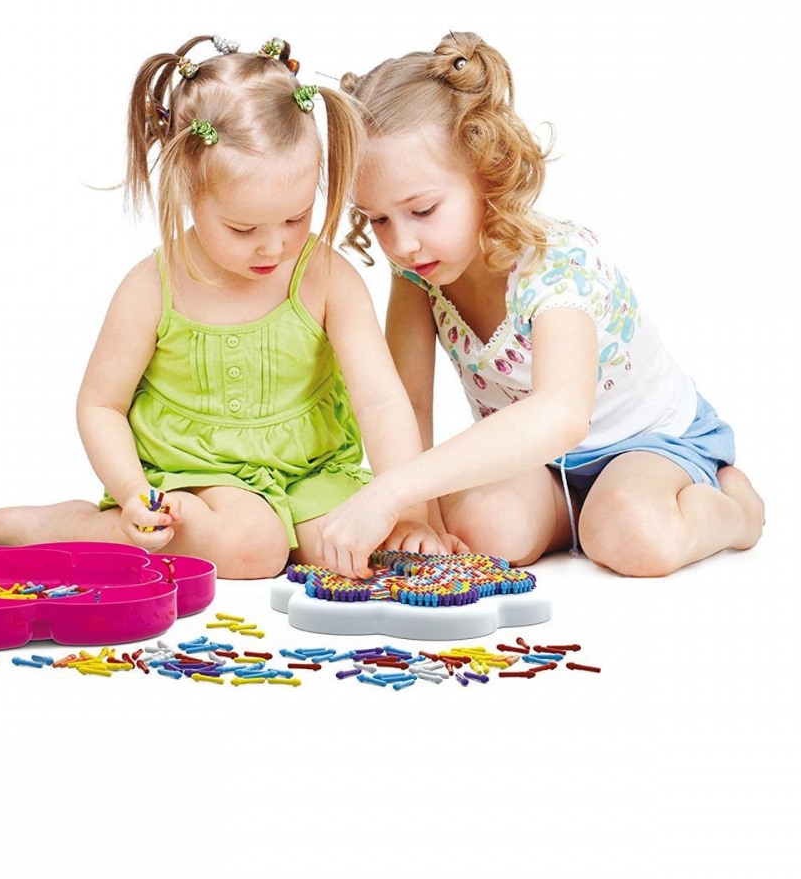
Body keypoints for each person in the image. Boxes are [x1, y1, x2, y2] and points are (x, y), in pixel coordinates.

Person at [0, 35, 442, 579]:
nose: (273, 247)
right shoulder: (152, 287)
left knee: (361, 548)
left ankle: (288, 529)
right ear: (188, 191)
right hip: (195, 475)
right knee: (254, 549)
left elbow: (380, 401)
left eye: (295, 218)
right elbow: (100, 405)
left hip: (311, 471)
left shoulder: (328, 277)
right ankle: (75, 528)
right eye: (242, 228)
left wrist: (407, 511)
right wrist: (131, 492)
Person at [315, 31, 765, 578]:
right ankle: (574, 520)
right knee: (483, 530)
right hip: (540, 463)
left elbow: (561, 412)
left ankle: (736, 510)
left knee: (633, 536)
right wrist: (415, 517)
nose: (402, 243)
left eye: (424, 210)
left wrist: (391, 490)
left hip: (648, 444)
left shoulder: (558, 265)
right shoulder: (419, 269)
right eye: (379, 219)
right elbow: (409, 400)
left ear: (485, 173)